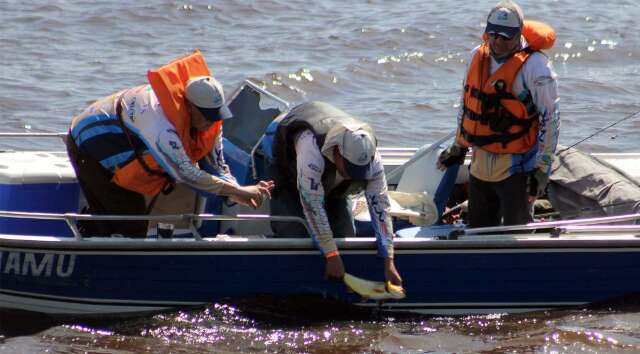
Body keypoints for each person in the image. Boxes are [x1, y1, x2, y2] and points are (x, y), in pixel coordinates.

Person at [66, 51, 274, 237]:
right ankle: (99, 257)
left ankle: (94, 232)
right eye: (206, 116)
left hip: (125, 141)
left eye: (216, 116)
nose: (211, 122)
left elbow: (218, 166)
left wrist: (239, 191)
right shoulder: (159, 124)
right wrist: (239, 192)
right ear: (189, 108)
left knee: (128, 218)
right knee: (130, 223)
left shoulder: (211, 119)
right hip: (89, 145)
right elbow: (186, 173)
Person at [437, 0, 560, 228]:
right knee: (478, 233)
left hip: (517, 169)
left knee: (516, 234)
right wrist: (459, 146)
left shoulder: (537, 67)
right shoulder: (477, 57)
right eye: (493, 34)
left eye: (506, 36)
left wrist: (542, 170)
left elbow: (550, 120)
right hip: (480, 166)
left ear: (518, 34)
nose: (498, 41)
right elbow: (466, 104)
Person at [269, 101, 402, 285]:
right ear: (337, 152)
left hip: (333, 187)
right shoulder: (310, 149)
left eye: (359, 170)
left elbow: (380, 207)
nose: (352, 174)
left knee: (345, 236)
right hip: (290, 178)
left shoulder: (372, 160)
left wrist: (389, 260)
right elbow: (312, 205)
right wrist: (331, 255)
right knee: (296, 237)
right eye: (350, 168)